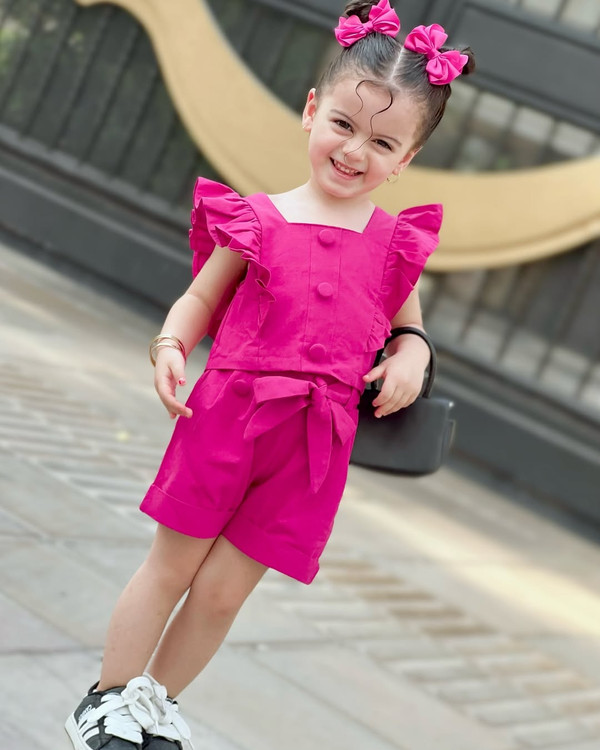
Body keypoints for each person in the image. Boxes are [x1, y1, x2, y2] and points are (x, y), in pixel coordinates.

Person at [65, 2, 475, 748]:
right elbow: (200, 298)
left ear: (407, 159)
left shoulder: (394, 244)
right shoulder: (257, 218)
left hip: (313, 447)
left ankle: (153, 705)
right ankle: (106, 699)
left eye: (383, 142)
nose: (354, 151)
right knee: (172, 568)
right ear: (312, 111)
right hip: (228, 419)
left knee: (223, 593)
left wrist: (412, 357)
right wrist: (171, 343)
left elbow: (408, 328)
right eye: (344, 125)